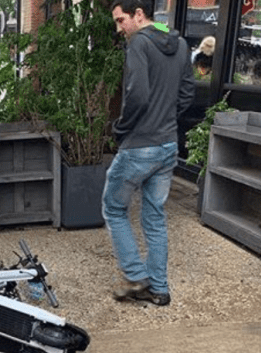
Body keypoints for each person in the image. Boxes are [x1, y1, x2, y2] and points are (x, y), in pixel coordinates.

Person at [102, 0, 195, 306]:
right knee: (154, 217)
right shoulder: (180, 44)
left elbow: (137, 95)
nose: (119, 29)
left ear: (139, 15)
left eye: (121, 20)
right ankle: (159, 288)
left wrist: (121, 127)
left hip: (140, 145)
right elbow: (186, 94)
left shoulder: (139, 43)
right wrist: (166, 120)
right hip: (168, 145)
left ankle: (136, 276)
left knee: (114, 207)